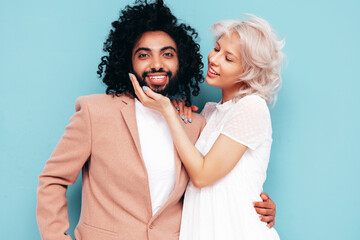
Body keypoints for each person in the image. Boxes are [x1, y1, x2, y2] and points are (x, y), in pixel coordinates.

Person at [36, 1, 277, 239]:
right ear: (127, 60)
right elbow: (53, 180)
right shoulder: (95, 112)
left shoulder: (193, 123)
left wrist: (255, 204)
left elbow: (215, 179)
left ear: (180, 61)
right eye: (143, 55)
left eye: (167, 54)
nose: (157, 64)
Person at [130, 14, 284, 239]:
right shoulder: (210, 112)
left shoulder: (252, 107)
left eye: (228, 58)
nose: (214, 59)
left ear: (248, 71)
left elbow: (202, 176)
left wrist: (167, 111)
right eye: (217, 48)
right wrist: (176, 112)